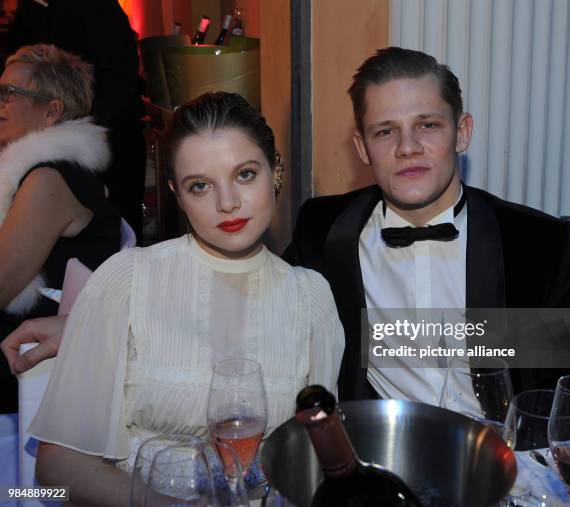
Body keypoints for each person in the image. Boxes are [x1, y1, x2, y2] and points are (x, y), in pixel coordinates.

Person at [29, 92, 344, 505]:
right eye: (201, 186)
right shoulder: (128, 279)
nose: (227, 202)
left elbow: (318, 462)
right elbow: (57, 469)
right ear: (178, 195)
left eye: (245, 175)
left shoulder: (311, 298)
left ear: (276, 171)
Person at [283, 47, 570, 403]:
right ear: (362, 148)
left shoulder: (534, 246)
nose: (408, 147)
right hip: (381, 449)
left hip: (505, 450)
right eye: (385, 132)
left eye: (428, 125)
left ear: (462, 133)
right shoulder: (323, 231)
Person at [0, 43, 120, 485]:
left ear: (51, 111)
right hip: (33, 372)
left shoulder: (48, 179)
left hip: (28, 391)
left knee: (23, 497)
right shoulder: (42, 173)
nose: (0, 103)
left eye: (9, 92)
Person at [4, 0, 146, 239]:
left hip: (110, 139)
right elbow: (18, 56)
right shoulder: (30, 7)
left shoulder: (96, 7)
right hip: (56, 136)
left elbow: (121, 75)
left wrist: (74, 126)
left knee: (112, 237)